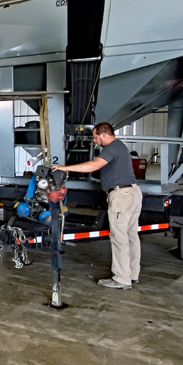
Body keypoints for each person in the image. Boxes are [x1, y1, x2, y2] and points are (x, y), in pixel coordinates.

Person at [52, 122, 143, 290]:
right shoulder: (120, 146)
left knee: (119, 238)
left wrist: (65, 168)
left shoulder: (111, 147)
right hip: (133, 193)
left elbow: (94, 165)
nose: (94, 140)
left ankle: (122, 279)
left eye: (95, 136)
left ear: (103, 134)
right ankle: (132, 274)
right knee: (131, 236)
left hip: (121, 196)